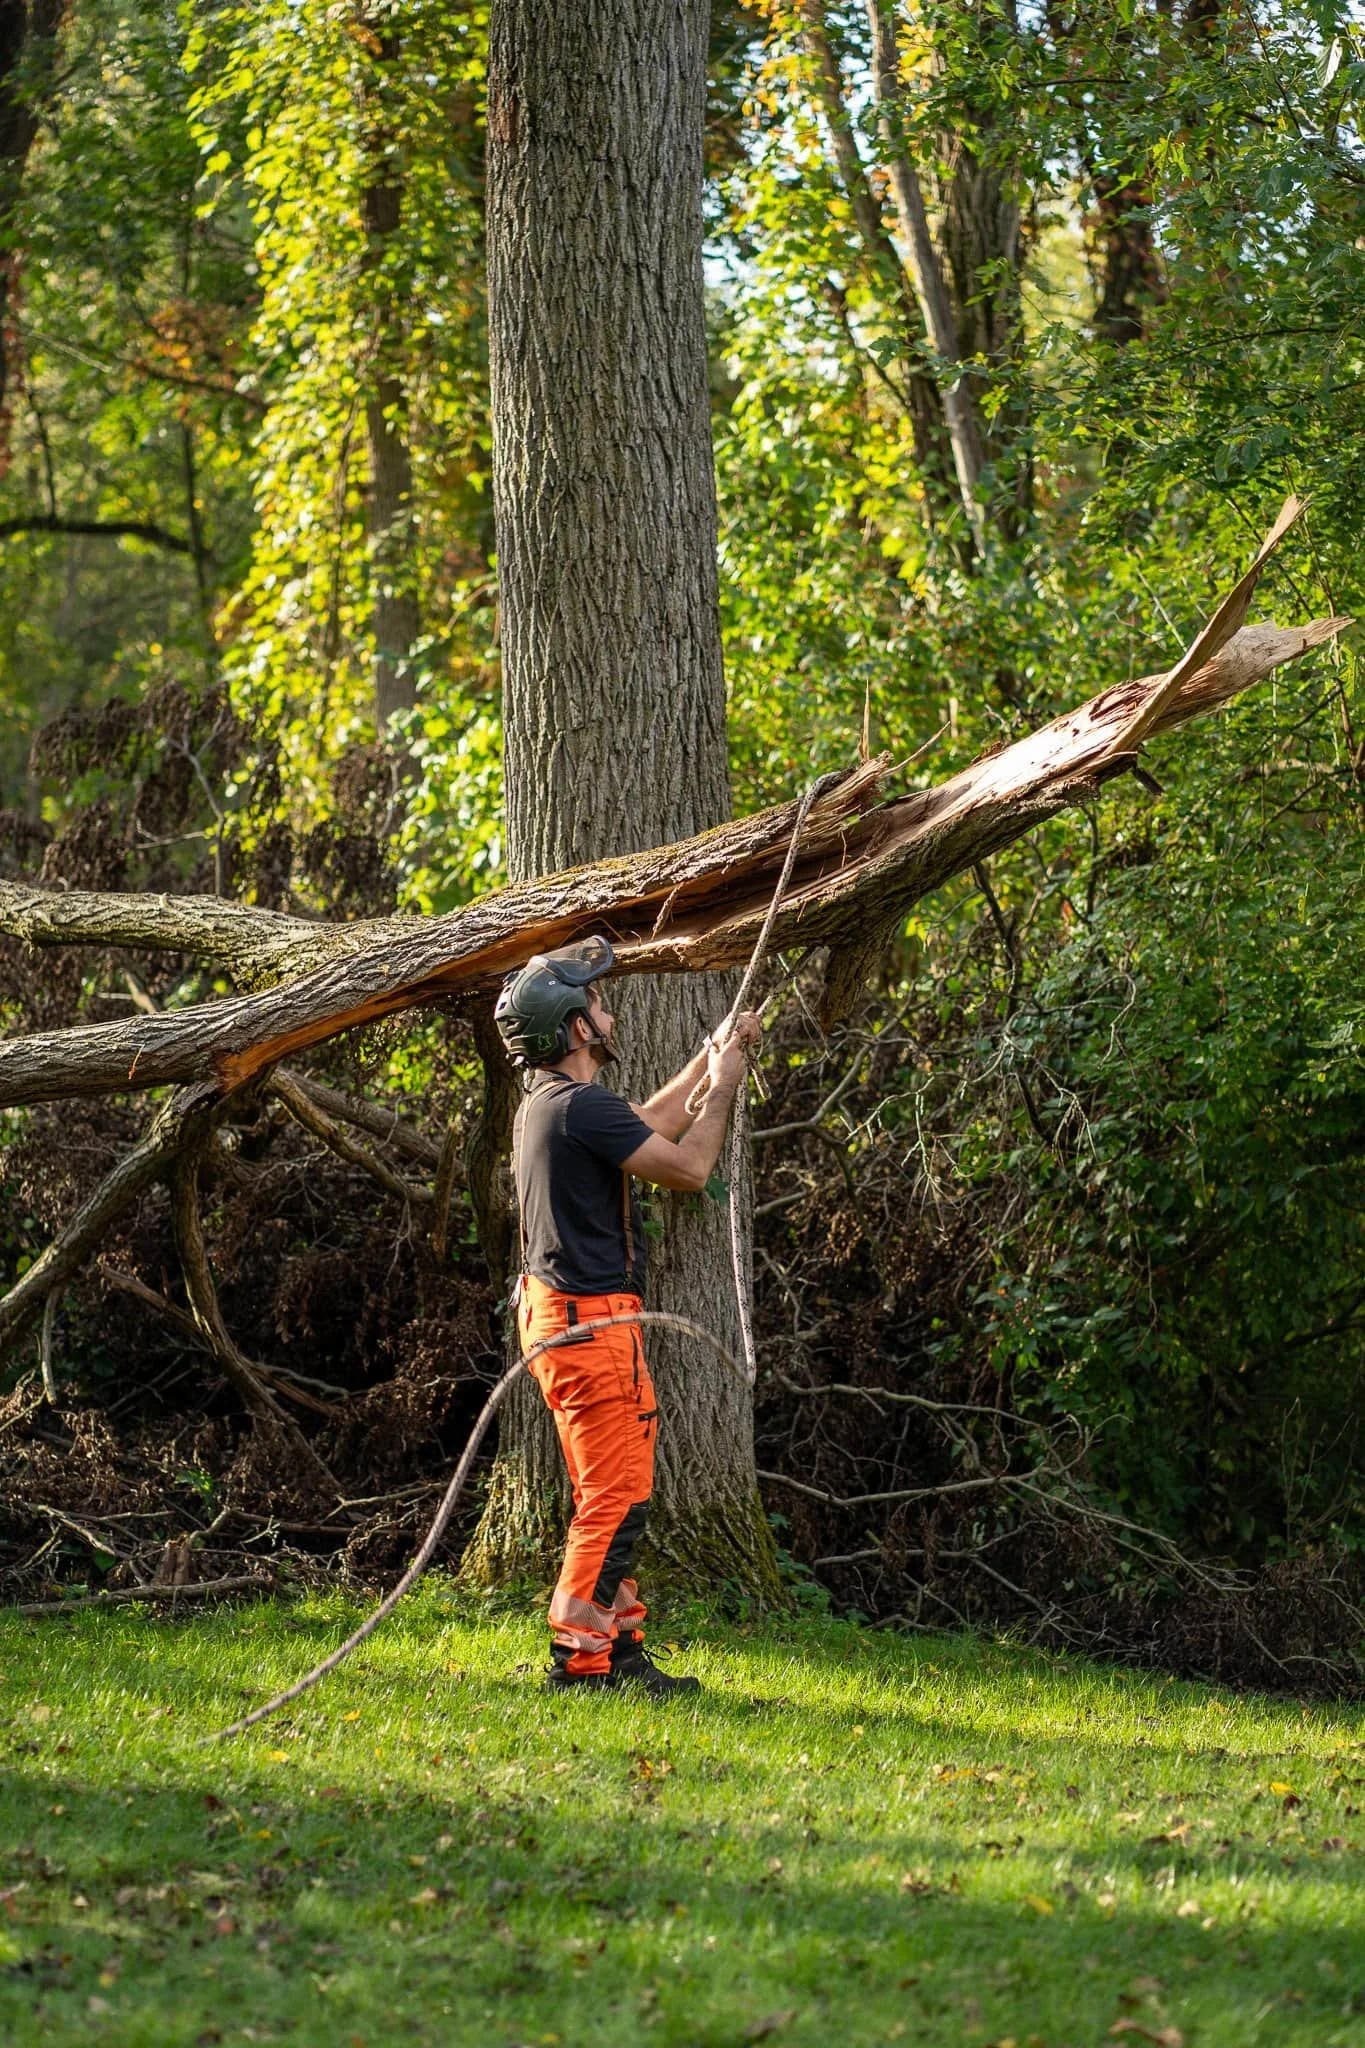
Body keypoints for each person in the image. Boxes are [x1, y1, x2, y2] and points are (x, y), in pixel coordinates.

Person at [494, 935, 759, 1699]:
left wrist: (710, 1055)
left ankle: (617, 1649)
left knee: (610, 1493)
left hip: (565, 1321)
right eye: (598, 1004)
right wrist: (725, 1084)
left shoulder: (555, 1107)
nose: (608, 1013)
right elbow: (689, 1167)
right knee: (616, 1499)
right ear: (577, 1027)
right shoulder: (576, 1108)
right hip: (589, 1327)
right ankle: (579, 1663)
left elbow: (643, 1121)